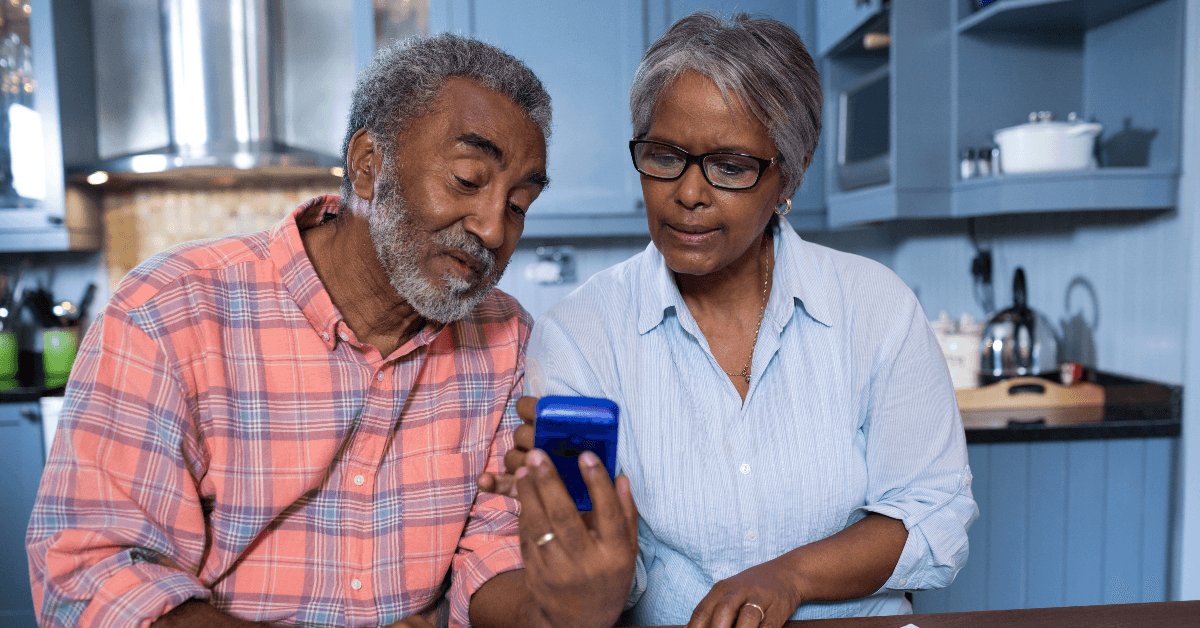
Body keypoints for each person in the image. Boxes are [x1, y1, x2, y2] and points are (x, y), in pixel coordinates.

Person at [27, 34, 637, 628]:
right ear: (369, 166)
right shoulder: (170, 311)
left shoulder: (504, 339)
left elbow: (491, 562)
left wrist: (566, 606)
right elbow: (96, 577)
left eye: (519, 205)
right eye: (469, 180)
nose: (494, 230)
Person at [484, 12, 978, 628]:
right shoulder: (581, 335)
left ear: (788, 174)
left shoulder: (875, 307)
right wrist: (576, 525)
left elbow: (934, 511)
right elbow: (603, 579)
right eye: (665, 155)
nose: (689, 192)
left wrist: (788, 577)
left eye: (731, 165)